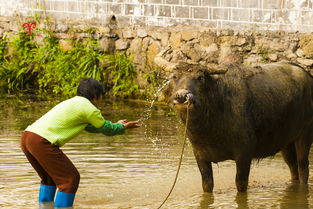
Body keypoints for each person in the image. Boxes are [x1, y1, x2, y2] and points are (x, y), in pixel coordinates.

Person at [20, 78, 140, 208]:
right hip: (41, 141)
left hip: (27, 137)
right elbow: (107, 129)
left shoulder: (72, 102)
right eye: (101, 97)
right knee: (70, 179)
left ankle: (44, 207)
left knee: (49, 179)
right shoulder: (89, 108)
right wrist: (123, 127)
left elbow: (90, 127)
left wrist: (116, 125)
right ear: (95, 96)